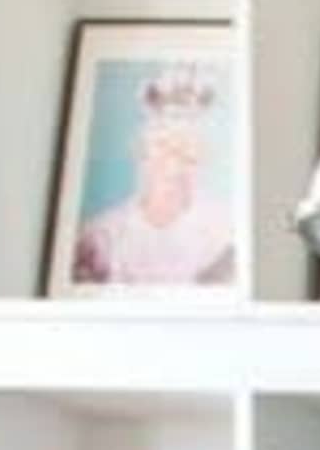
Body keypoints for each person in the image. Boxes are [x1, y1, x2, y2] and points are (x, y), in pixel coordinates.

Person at [69, 61, 235, 288]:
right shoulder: (102, 237)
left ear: (200, 158)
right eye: (162, 147)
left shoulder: (225, 234)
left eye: (185, 151)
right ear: (140, 152)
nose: (173, 165)